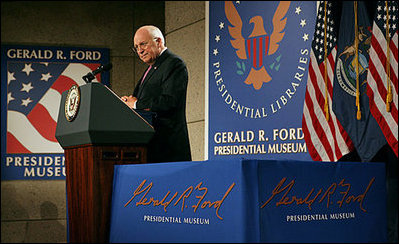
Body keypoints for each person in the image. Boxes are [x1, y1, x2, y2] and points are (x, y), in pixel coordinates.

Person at [121, 25, 192, 163]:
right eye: (136, 47)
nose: (139, 51)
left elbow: (169, 101)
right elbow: (141, 99)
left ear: (158, 42)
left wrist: (136, 104)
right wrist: (128, 103)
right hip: (151, 146)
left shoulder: (174, 63)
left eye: (143, 44)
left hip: (168, 149)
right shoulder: (152, 67)